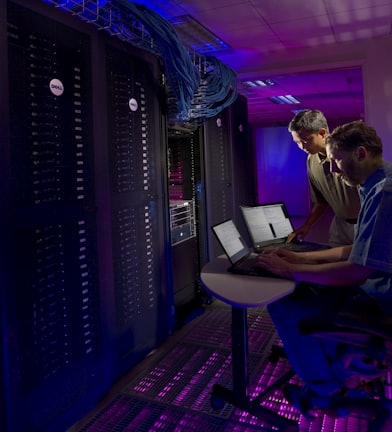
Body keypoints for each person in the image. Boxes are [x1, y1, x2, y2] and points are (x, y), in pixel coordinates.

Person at [256, 120, 392, 412]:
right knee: (309, 284)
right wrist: (298, 259)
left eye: (336, 161)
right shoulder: (378, 182)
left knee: (285, 303)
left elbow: (357, 270)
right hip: (377, 286)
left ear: (360, 153)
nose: (332, 170)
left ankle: (325, 390)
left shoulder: (384, 193)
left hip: (384, 300)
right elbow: (360, 249)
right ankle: (351, 366)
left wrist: (288, 270)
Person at [287, 110, 360, 246]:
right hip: (340, 224)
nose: (302, 146)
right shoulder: (311, 160)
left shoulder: (349, 154)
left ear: (322, 133)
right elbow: (321, 202)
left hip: (365, 222)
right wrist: (307, 225)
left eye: (306, 140)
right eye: (297, 142)